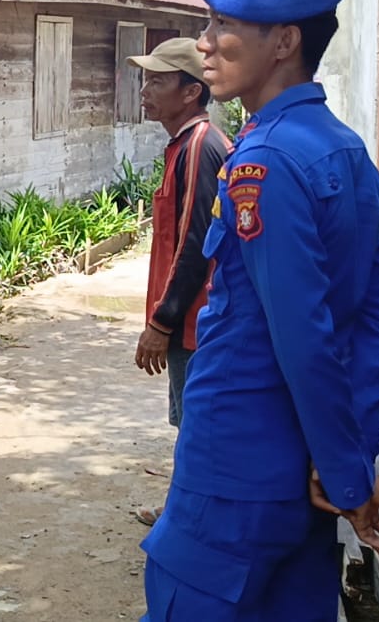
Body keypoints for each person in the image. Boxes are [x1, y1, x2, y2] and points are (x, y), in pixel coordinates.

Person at [140, 0, 379, 621]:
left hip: (235, 471)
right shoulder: (342, 148)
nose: (203, 41)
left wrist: (345, 470)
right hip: (301, 479)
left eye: (223, 23)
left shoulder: (261, 161)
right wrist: (346, 456)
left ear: (283, 41)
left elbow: (302, 333)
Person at [126, 36, 232, 526]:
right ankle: (185, 510)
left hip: (195, 321)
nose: (146, 89)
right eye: (146, 79)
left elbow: (196, 244)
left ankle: (189, 519)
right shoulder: (185, 145)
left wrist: (162, 322)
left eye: (158, 80)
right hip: (187, 319)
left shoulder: (200, 147)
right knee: (192, 422)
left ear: (191, 92)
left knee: (197, 423)